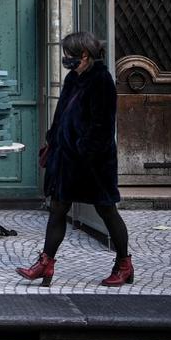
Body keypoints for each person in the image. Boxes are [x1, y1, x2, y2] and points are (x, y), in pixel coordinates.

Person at [16, 31, 133, 287]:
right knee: (57, 209)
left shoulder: (102, 81)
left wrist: (83, 150)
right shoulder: (72, 78)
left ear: (84, 55)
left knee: (107, 210)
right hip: (67, 161)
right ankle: (45, 264)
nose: (65, 59)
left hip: (94, 164)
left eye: (69, 55)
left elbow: (102, 127)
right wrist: (54, 140)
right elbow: (61, 115)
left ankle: (124, 264)